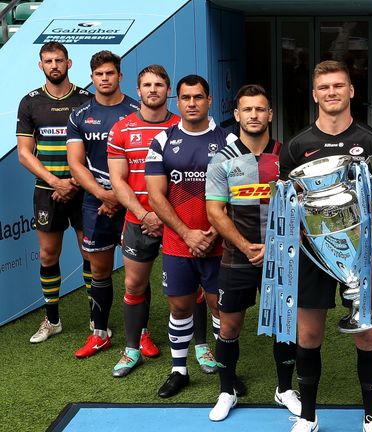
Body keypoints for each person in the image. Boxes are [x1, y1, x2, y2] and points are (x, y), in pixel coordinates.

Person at [279, 60, 372, 432]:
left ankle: (371, 416)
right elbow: (285, 200)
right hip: (313, 254)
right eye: (324, 87)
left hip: (361, 255)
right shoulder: (298, 145)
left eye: (338, 86)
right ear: (315, 95)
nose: (331, 92)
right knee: (309, 334)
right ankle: (309, 416)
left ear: (351, 91)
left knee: (367, 333)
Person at [205, 84, 300, 421]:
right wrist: (245, 246)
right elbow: (215, 212)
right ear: (237, 115)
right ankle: (226, 391)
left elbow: (300, 207)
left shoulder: (288, 156)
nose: (254, 115)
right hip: (236, 258)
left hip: (281, 259)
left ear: (270, 114)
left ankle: (285, 389)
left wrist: (274, 246)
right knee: (228, 327)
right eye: (248, 109)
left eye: (260, 109)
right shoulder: (221, 159)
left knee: (284, 326)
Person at [145, 75, 231, 398]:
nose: (192, 103)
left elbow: (240, 194)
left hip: (219, 243)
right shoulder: (162, 142)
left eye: (198, 97)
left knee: (220, 307)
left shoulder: (230, 142)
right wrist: (186, 233)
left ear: (210, 100)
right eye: (185, 97)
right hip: (178, 244)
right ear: (177, 102)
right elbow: (156, 196)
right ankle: (179, 370)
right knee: (180, 307)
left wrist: (215, 229)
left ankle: (227, 372)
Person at [106, 65, 180, 376]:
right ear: (138, 91)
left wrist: (168, 218)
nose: (153, 89)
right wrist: (143, 214)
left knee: (191, 287)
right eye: (147, 85)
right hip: (139, 221)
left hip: (178, 223)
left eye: (159, 84)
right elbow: (118, 180)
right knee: (134, 284)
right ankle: (131, 349)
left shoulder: (184, 126)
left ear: (168, 90)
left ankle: (201, 348)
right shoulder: (122, 129)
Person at [66, 50, 140, 359]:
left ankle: (141, 334)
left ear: (120, 76)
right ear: (92, 78)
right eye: (99, 75)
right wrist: (104, 194)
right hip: (95, 202)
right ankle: (100, 333)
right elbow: (75, 164)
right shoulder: (80, 115)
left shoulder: (136, 111)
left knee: (138, 269)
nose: (105, 79)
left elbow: (143, 161)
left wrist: (120, 196)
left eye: (110, 73)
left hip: (133, 200)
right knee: (99, 269)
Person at [17, 42, 92, 343]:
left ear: (69, 63)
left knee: (90, 253)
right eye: (48, 61)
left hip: (84, 189)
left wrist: (74, 182)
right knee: (49, 254)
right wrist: (56, 182)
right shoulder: (30, 103)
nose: (54, 65)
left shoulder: (87, 100)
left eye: (59, 60)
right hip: (47, 190)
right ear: (41, 66)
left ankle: (95, 319)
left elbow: (95, 148)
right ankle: (53, 320)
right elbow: (25, 153)